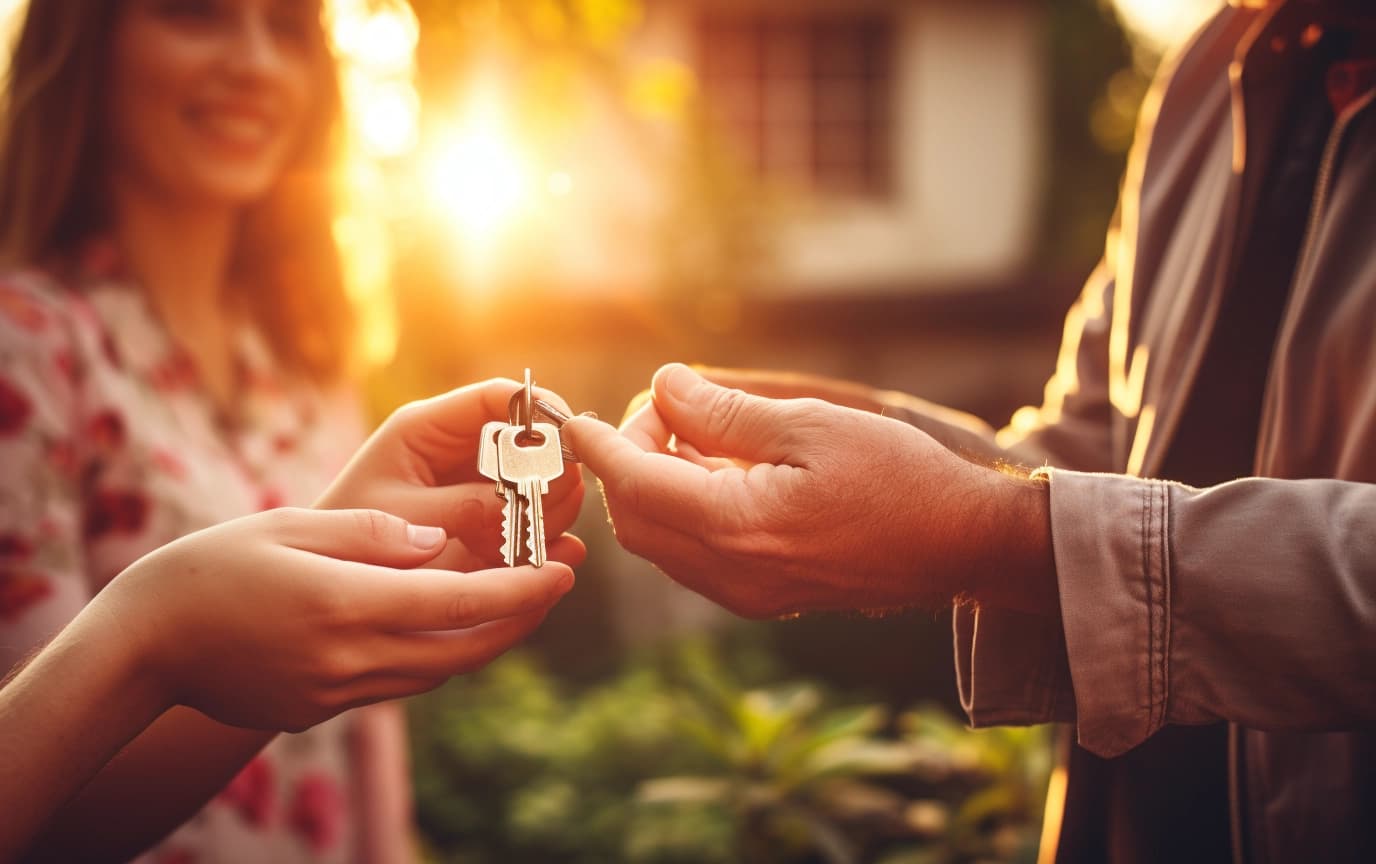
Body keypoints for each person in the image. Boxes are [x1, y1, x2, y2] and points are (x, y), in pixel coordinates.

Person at [564, 1, 1376, 861]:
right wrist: (859, 432)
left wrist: (986, 537)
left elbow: (1032, 520)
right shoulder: (1215, 78)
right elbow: (1091, 454)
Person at [0, 0, 583, 860]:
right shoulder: (24, 347)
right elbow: (36, 809)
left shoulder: (308, 367)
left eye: (286, 28)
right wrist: (158, 639)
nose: (256, 63)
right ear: (88, 43)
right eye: (195, 12)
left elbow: (363, 724)